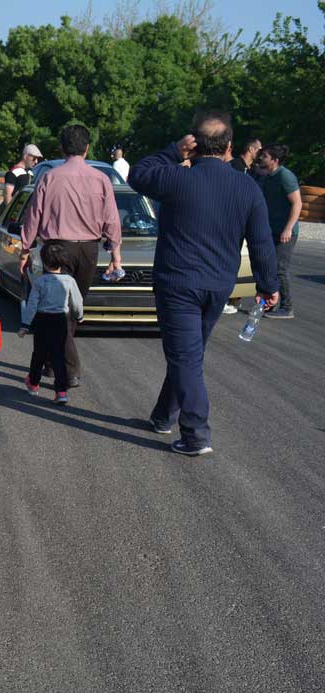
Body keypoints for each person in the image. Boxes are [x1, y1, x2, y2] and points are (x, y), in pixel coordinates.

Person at [128, 111, 279, 456]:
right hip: (218, 287)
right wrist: (268, 285)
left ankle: (196, 434)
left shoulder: (177, 177)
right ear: (229, 146)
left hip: (178, 283)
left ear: (193, 144)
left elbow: (138, 175)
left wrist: (172, 150)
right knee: (189, 355)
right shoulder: (247, 187)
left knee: (185, 357)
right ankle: (163, 416)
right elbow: (261, 243)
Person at [19, 124, 123, 388]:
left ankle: (67, 367)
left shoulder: (49, 177)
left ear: (62, 148)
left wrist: (25, 248)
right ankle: (59, 364)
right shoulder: (101, 179)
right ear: (87, 148)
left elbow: (34, 215)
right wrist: (116, 255)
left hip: (57, 247)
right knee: (72, 307)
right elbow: (112, 219)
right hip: (88, 250)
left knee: (58, 308)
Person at [20, 242, 84, 405]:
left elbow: (32, 304)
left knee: (39, 354)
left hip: (42, 320)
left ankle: (33, 384)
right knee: (59, 356)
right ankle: (61, 392)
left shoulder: (40, 282)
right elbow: (77, 301)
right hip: (61, 321)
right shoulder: (69, 281)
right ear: (63, 261)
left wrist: (25, 325)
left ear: (44, 262)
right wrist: (79, 315)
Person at [256, 143, 301, 320]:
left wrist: (288, 229)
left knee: (279, 269)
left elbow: (297, 203)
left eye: (265, 156)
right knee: (268, 267)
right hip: (272, 229)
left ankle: (287, 307)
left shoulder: (285, 176)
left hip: (285, 232)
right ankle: (268, 303)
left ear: (274, 160)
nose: (261, 158)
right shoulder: (267, 176)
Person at [3, 143, 43, 208]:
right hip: (15, 212)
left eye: (37, 159)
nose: (36, 162)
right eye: (34, 158)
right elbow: (7, 195)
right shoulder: (13, 172)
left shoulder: (30, 173)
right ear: (25, 156)